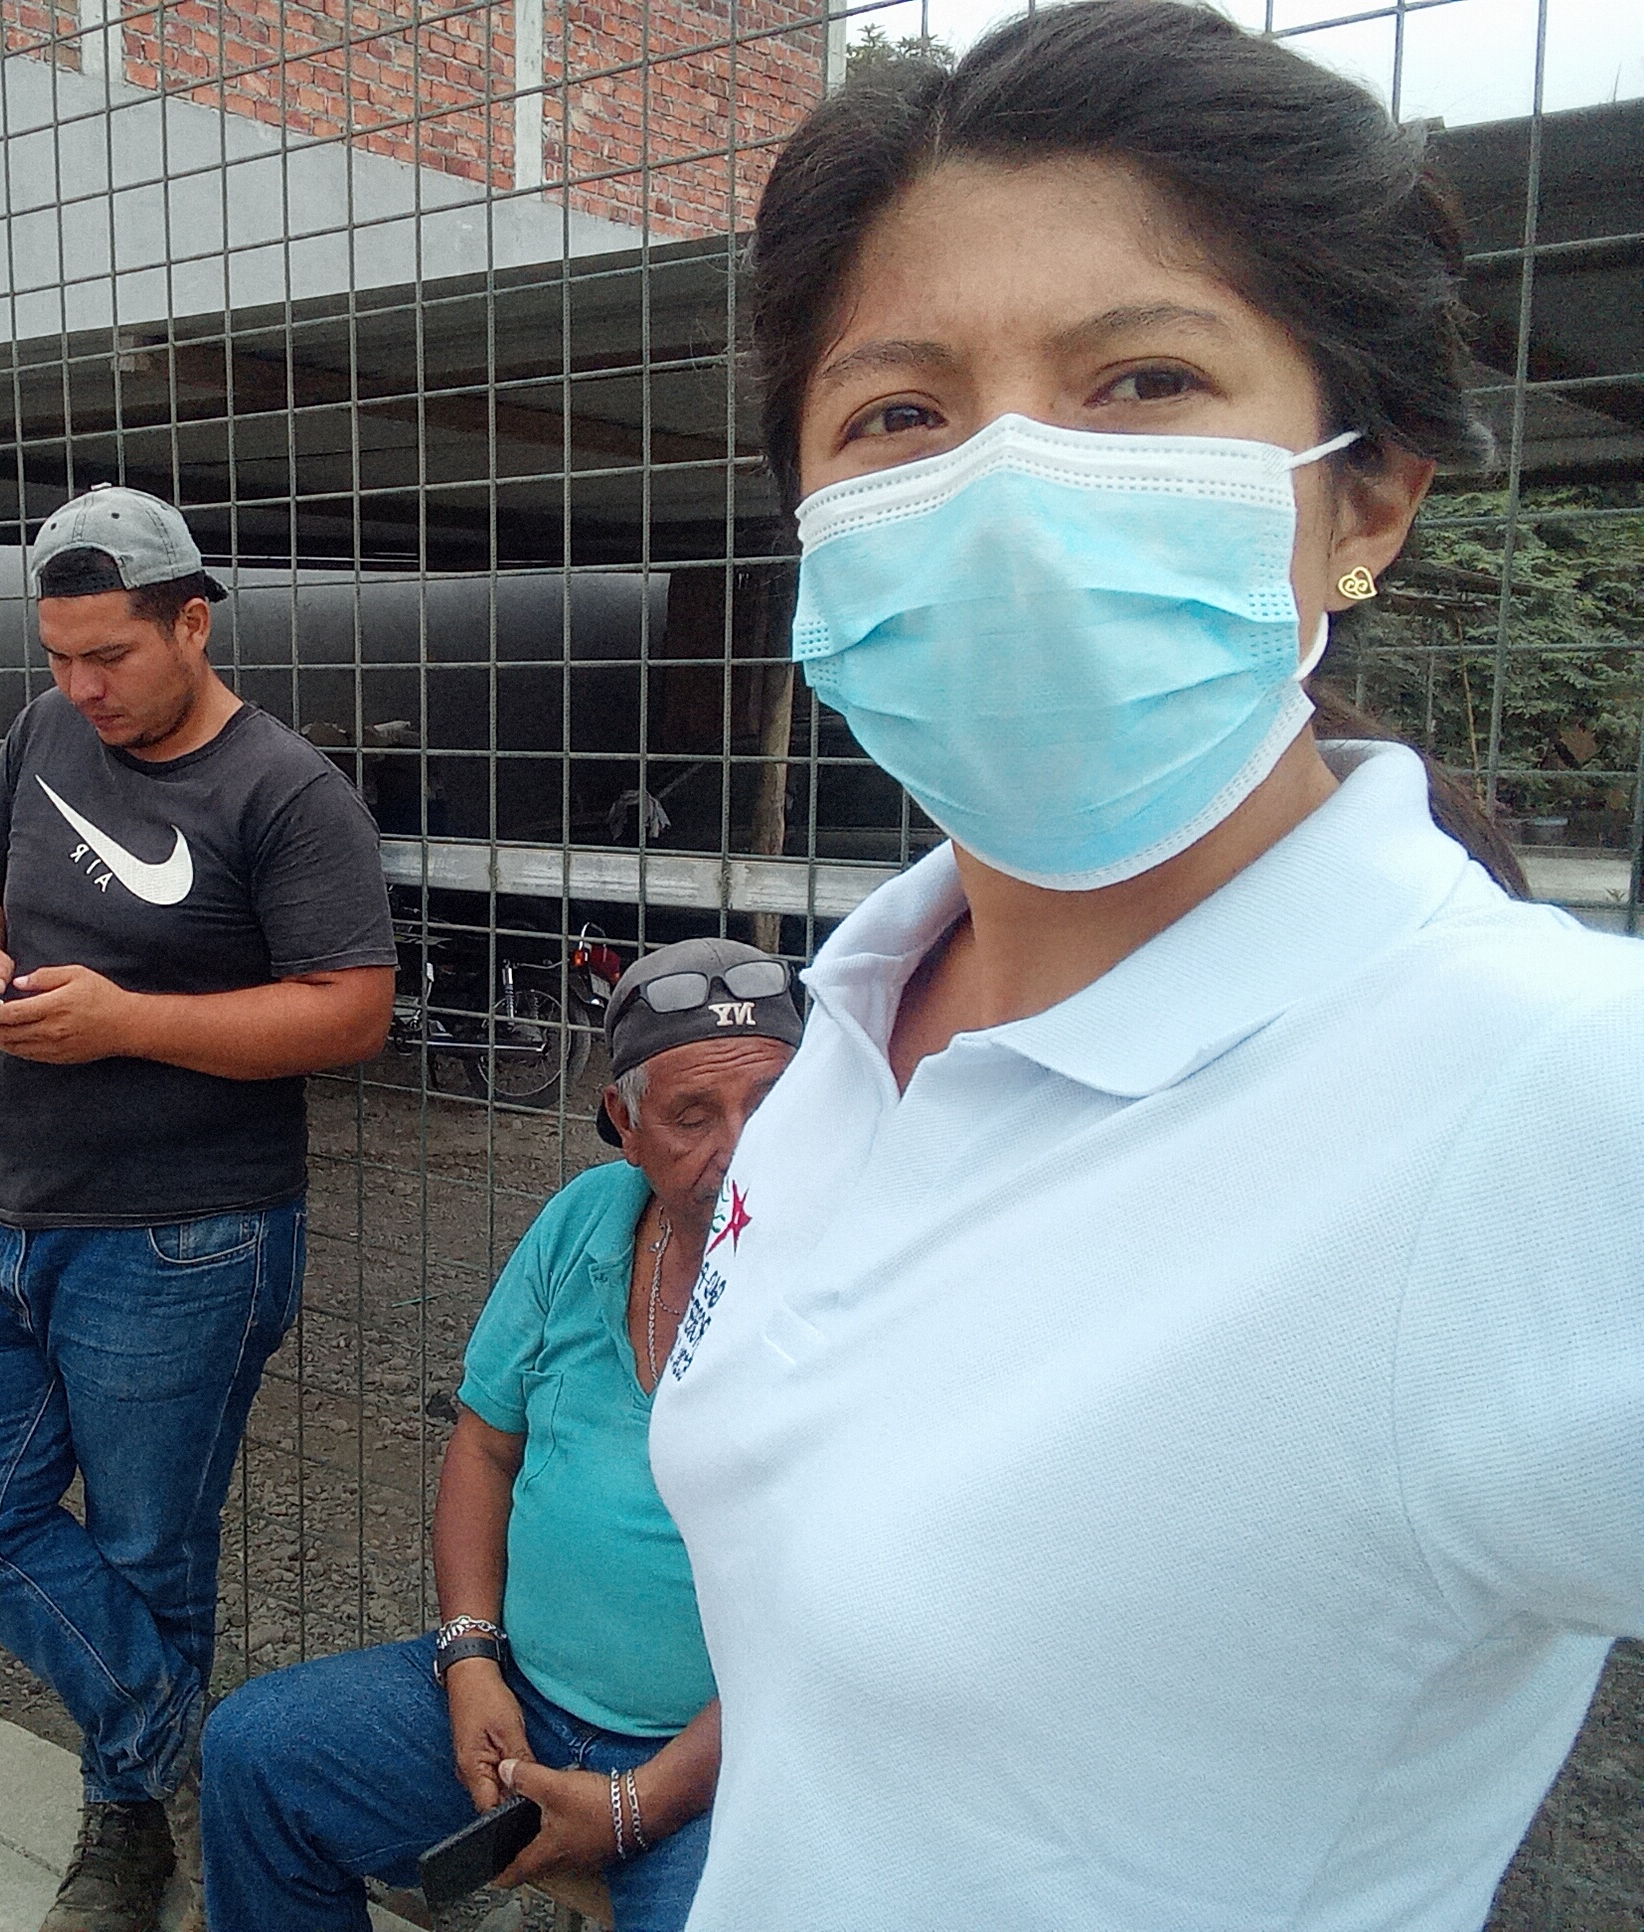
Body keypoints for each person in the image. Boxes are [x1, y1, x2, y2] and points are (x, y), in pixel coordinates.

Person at [649, 7, 1644, 1930]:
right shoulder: (852, 1021)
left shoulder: (1538, 1095)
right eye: (899, 414)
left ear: (1367, 497)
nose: (1010, 491)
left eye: (1144, 380)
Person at [0, 483, 397, 1932]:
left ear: (192, 624)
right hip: (10, 1215)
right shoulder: (45, 734)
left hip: (188, 1237)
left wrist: (129, 1022)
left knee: (144, 1551)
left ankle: (127, 1823)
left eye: (108, 655)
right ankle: (195, 1753)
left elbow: (350, 1011)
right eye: (57, 657)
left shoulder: (285, 792)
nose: (81, 688)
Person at [197, 939, 799, 1932]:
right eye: (693, 1116)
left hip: (737, 1763)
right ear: (625, 1123)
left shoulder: (848, 1288)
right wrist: (469, 1657)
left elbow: (840, 1632)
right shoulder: (585, 1221)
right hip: (525, 1700)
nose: (740, 1146)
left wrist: (637, 1804)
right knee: (257, 1755)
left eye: (772, 1108)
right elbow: (483, 1447)